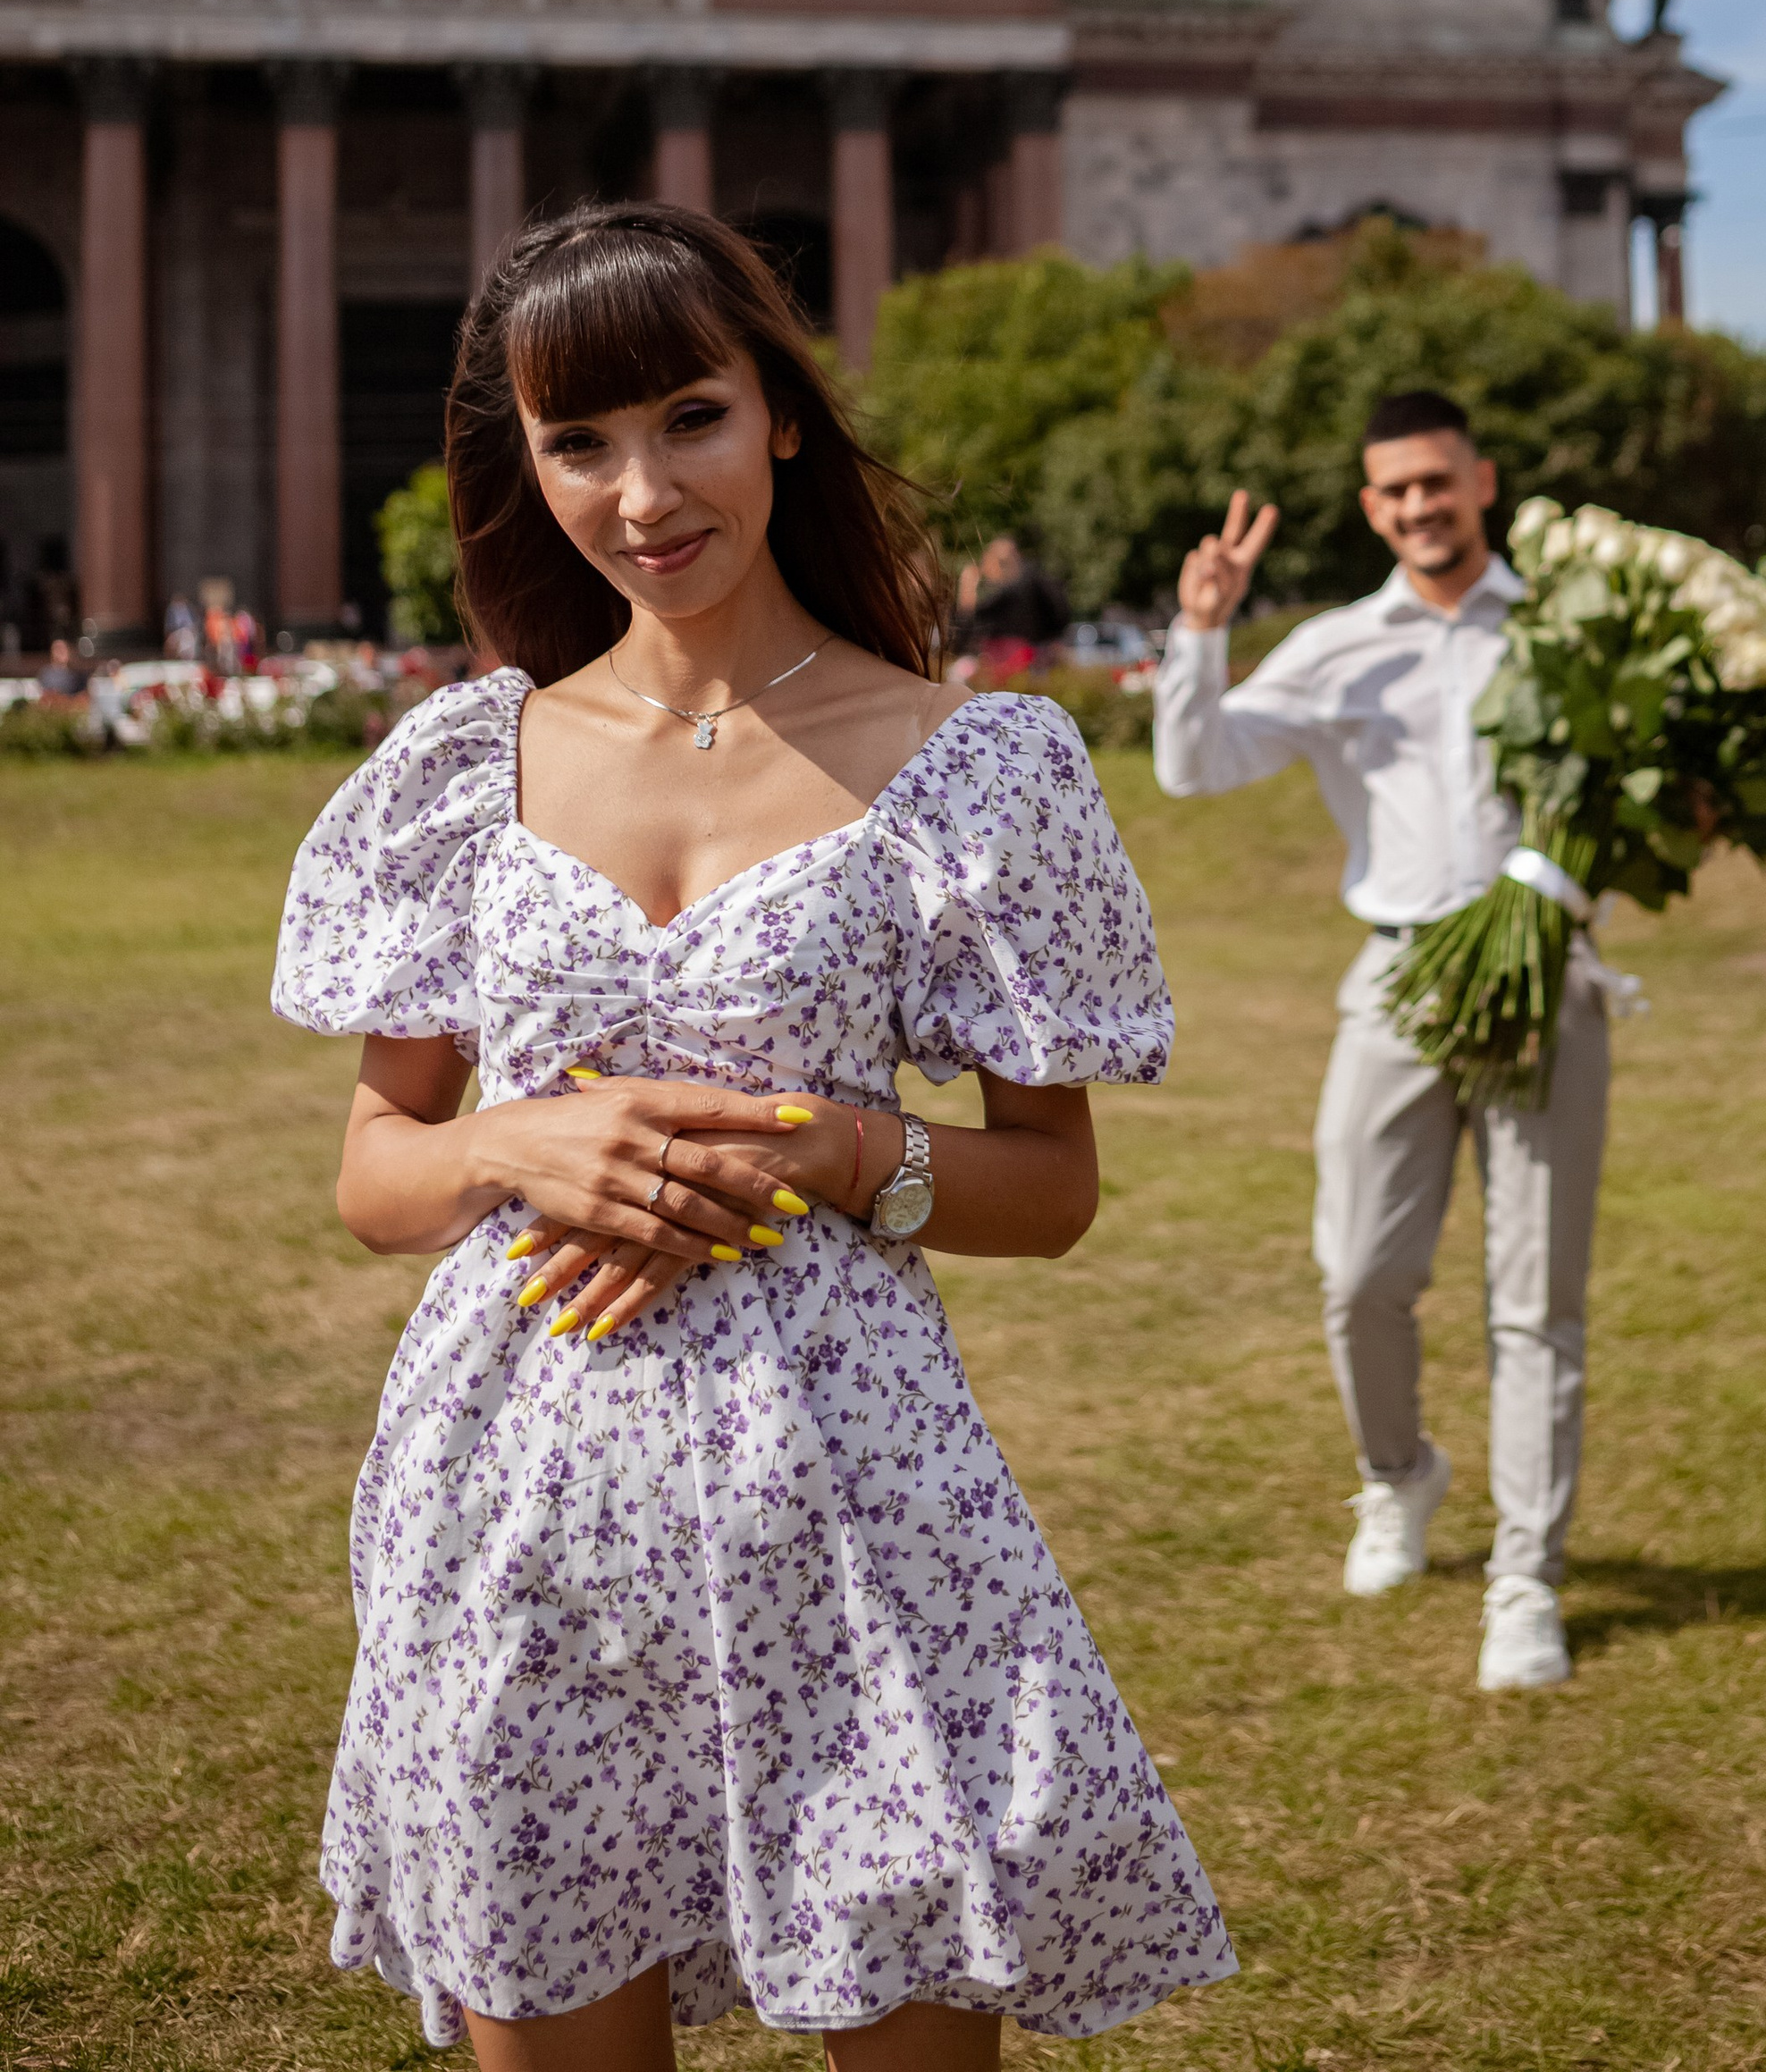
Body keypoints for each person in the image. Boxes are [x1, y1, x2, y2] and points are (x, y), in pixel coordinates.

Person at [271, 203, 1234, 2072]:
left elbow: (1053, 1188)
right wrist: (511, 1149)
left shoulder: (969, 765)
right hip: (517, 1511)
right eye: (579, 443)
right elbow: (375, 1168)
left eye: (686, 418)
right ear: (526, 466)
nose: (642, 492)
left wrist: (854, 1156)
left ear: (778, 415)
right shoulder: (465, 768)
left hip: (859, 1517)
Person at [1151, 392, 1610, 1696]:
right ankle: (1398, 1477)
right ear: (1373, 509)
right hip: (1402, 982)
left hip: (1547, 985)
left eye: (1438, 482)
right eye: (1396, 491)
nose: (1420, 506)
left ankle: (1526, 1583)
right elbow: (1198, 764)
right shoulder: (1343, 645)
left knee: (1536, 1307)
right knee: (1359, 1275)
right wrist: (1204, 630)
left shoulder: (1572, 633)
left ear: (1483, 478)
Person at [951, 535, 1071, 661]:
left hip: (1011, 660)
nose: (984, 568)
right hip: (1036, 656)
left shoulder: (1007, 595)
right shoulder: (1036, 581)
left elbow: (961, 639)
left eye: (986, 561)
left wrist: (967, 592)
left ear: (996, 563)